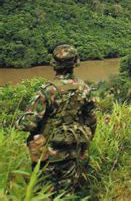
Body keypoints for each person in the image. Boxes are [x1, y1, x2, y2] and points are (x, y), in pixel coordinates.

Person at [16, 44, 96, 195]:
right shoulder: (84, 88)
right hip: (73, 150)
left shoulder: (47, 90)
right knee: (67, 193)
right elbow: (91, 120)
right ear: (75, 64)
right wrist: (84, 143)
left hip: (48, 154)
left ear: (54, 64)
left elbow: (28, 123)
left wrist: (19, 121)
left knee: (44, 193)